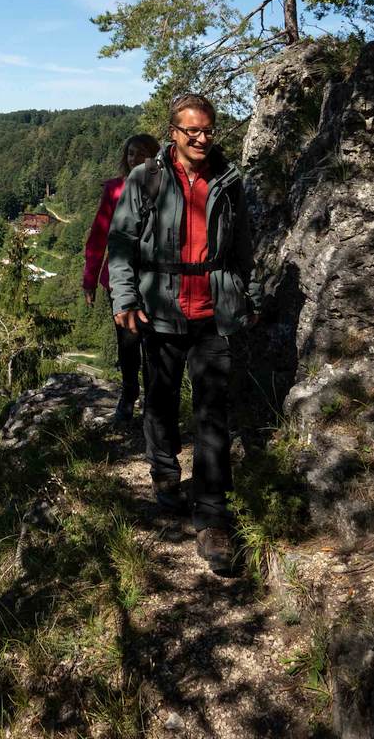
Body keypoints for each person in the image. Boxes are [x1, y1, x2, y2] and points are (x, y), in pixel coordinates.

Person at [106, 92, 265, 576]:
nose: (200, 138)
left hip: (213, 311)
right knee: (160, 396)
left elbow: (242, 246)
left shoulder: (228, 180)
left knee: (213, 412)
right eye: (190, 130)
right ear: (173, 132)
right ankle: (165, 473)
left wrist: (249, 295)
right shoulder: (147, 178)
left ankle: (213, 518)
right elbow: (122, 241)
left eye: (208, 129)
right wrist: (124, 297)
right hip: (160, 309)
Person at [83, 133, 160, 429]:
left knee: (154, 346)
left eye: (142, 153)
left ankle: (153, 405)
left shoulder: (164, 188)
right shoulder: (115, 190)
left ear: (154, 156)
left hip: (155, 283)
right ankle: (128, 395)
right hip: (119, 281)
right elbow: (99, 236)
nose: (136, 159)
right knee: (128, 345)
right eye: (131, 154)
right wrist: (90, 279)